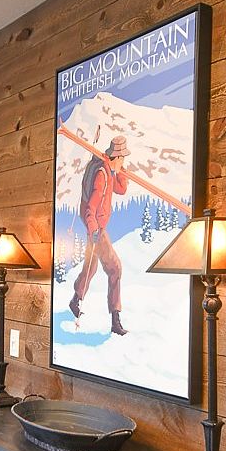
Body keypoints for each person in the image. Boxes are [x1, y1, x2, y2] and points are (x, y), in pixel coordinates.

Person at [69, 135, 130, 335]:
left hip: (95, 227)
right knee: (115, 268)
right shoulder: (102, 175)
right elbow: (91, 208)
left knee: (91, 266)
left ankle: (75, 300)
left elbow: (121, 189)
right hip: (97, 228)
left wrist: (121, 173)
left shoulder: (109, 172)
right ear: (116, 157)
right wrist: (94, 230)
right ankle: (115, 319)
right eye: (122, 158)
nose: (123, 161)